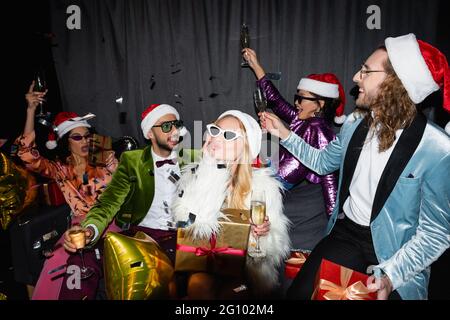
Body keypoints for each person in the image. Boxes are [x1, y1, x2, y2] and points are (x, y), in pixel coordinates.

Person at [260, 34, 450, 300]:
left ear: (394, 83)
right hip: (347, 235)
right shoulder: (354, 124)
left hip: (397, 252)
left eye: (365, 71)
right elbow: (323, 162)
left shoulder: (437, 147)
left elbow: (437, 233)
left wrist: (392, 275)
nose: (355, 77)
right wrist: (285, 134)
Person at [62, 103, 197, 300]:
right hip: (143, 236)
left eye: (177, 124)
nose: (175, 131)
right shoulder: (131, 161)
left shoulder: (196, 157)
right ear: (150, 133)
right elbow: (108, 203)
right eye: (167, 126)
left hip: (183, 236)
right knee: (81, 258)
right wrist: (90, 229)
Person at [15, 82, 119, 300]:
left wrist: (117, 169)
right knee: (54, 261)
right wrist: (31, 110)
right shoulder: (61, 169)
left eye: (87, 135)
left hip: (111, 221)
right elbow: (26, 156)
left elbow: (127, 191)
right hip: (78, 227)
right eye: (77, 137)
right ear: (65, 142)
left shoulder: (103, 157)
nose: (85, 141)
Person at [172, 110, 290, 299]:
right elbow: (187, 223)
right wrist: (209, 169)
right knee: (198, 285)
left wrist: (263, 234)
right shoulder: (194, 176)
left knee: (234, 293)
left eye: (228, 135)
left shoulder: (264, 186)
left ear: (245, 146)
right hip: (205, 266)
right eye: (214, 131)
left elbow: (275, 246)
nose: (217, 137)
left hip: (247, 273)